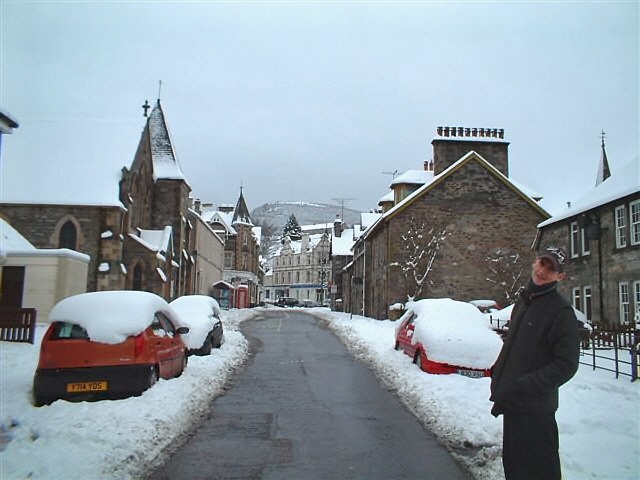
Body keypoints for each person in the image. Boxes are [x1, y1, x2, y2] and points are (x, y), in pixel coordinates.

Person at [490, 246, 580, 480]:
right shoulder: (525, 301)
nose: (542, 271)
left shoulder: (560, 311)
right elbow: (516, 345)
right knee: (515, 468)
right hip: (513, 403)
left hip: (535, 411)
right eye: (542, 263)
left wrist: (527, 384)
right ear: (535, 262)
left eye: (551, 269)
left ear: (560, 276)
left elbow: (567, 364)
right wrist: (500, 371)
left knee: (539, 471)